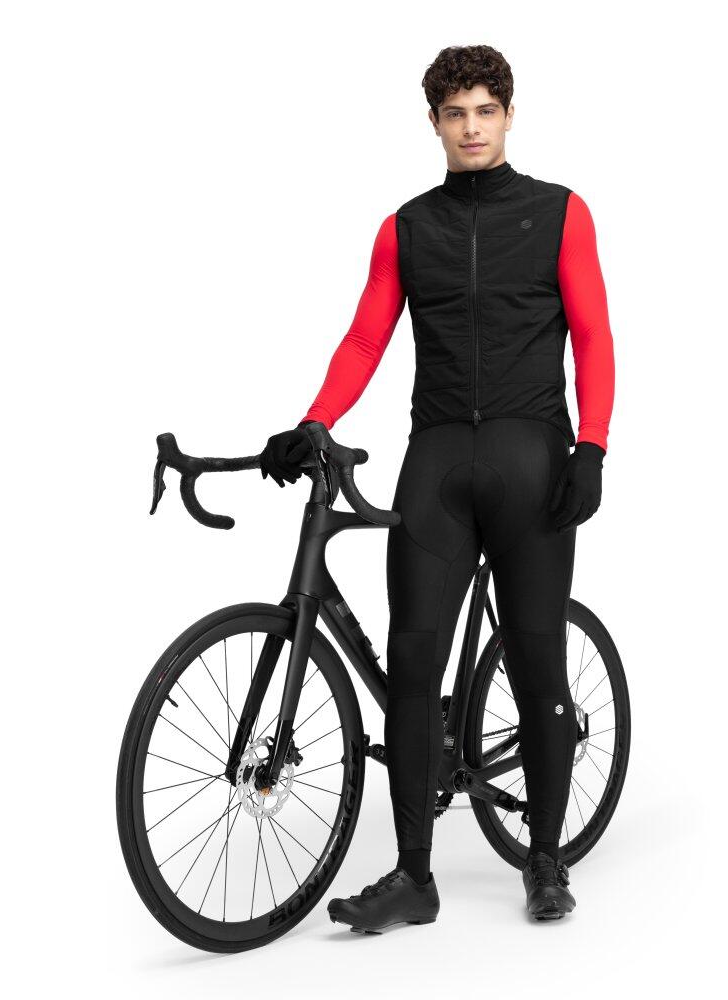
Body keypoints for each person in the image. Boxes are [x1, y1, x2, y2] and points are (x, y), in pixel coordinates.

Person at [259, 44, 615, 928]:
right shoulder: (406, 228)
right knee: (413, 661)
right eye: (455, 114)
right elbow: (364, 339)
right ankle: (414, 876)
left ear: (509, 115)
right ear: (434, 123)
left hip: (534, 459)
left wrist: (592, 447)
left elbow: (594, 336)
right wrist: (315, 420)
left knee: (536, 659)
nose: (471, 128)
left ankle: (544, 860)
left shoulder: (561, 213)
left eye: (485, 111)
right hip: (439, 460)